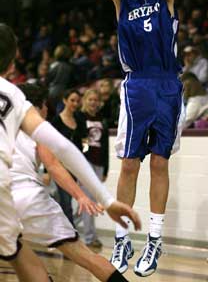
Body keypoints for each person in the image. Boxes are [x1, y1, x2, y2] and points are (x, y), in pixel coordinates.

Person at [66, 0, 184, 277]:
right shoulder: (123, 1)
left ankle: (154, 240)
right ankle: (121, 240)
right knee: (130, 165)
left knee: (161, 163)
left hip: (168, 85)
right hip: (137, 87)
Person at [0, 23, 141, 282]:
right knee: (81, 255)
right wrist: (104, 199)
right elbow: (59, 155)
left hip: (8, 198)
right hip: (23, 195)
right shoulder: (15, 100)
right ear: (10, 65)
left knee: (18, 253)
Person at [10, 83, 127, 282]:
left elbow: (81, 146)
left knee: (18, 254)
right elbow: (54, 165)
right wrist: (80, 195)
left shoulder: (5, 126)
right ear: (39, 106)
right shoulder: (42, 126)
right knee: (85, 256)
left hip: (4, 199)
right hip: (31, 194)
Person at [51, 88, 87, 225]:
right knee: (66, 202)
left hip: (75, 167)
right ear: (65, 101)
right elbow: (50, 145)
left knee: (74, 200)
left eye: (77, 101)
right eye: (72, 100)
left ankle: (64, 229)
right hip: (60, 166)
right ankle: (70, 233)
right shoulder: (56, 121)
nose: (75, 103)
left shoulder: (80, 119)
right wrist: (49, 171)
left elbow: (85, 141)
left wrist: (84, 156)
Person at [80, 88, 110, 248]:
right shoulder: (80, 118)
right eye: (90, 99)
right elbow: (81, 141)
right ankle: (90, 237)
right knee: (88, 201)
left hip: (99, 164)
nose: (93, 103)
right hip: (85, 163)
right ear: (85, 100)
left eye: (95, 100)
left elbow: (106, 146)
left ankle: (71, 229)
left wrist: (105, 169)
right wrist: (82, 160)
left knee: (88, 201)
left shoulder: (102, 120)